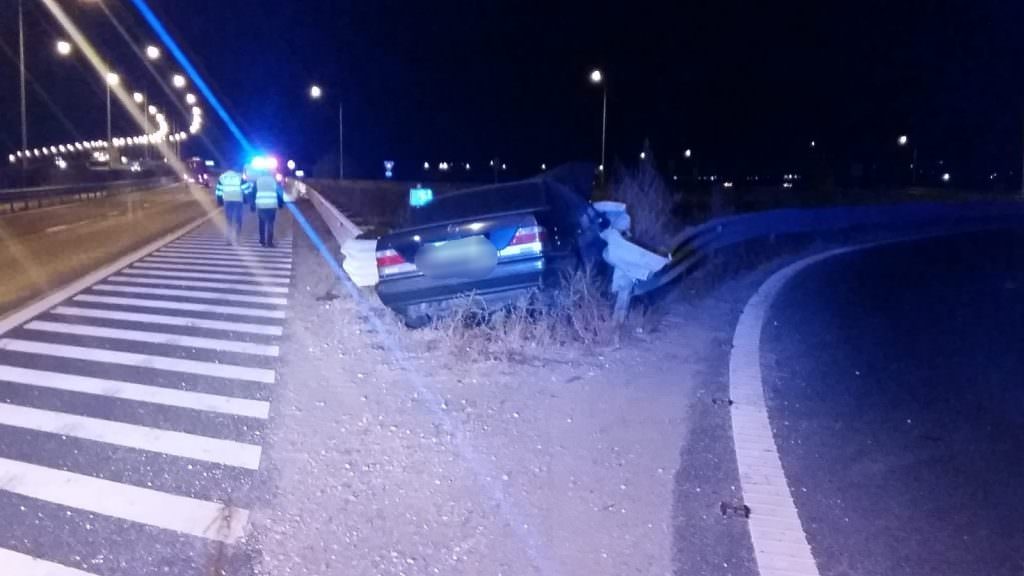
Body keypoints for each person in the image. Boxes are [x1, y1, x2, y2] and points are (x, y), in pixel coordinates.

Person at [250, 171, 285, 247]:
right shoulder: (274, 180)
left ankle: (262, 241)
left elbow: (253, 193)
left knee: (261, 223)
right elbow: (279, 192)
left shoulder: (257, 181)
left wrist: (252, 205)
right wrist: (281, 203)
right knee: (270, 223)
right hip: (272, 205)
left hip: (261, 205)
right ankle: (269, 242)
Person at [215, 168, 248, 244]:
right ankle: (238, 238)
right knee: (238, 220)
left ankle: (228, 240)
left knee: (228, 220)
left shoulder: (222, 177)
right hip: (238, 200)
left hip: (227, 200)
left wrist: (219, 201)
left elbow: (219, 190)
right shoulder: (239, 176)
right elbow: (246, 188)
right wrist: (246, 199)